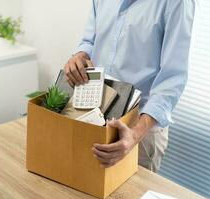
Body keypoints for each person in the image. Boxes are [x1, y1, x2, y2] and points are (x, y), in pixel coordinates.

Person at [64, 0, 196, 172]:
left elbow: (172, 79)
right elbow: (89, 40)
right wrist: (80, 55)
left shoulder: (178, 3)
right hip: (96, 114)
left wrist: (135, 134)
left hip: (140, 128)